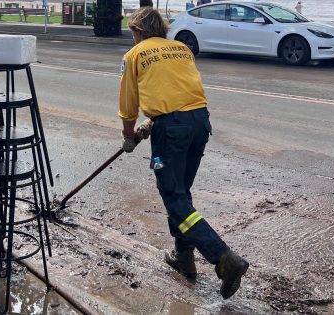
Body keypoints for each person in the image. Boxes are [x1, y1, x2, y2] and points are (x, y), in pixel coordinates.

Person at [118, 7, 249, 299]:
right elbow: (182, 88)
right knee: (181, 193)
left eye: (133, 34)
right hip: (199, 122)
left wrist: (129, 136)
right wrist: (156, 118)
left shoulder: (135, 55)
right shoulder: (181, 49)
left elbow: (128, 105)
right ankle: (184, 258)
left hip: (172, 131)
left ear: (138, 32)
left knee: (174, 197)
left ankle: (224, 258)